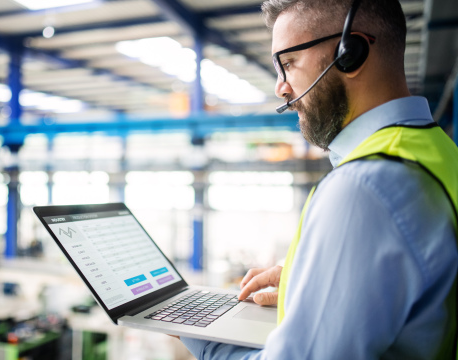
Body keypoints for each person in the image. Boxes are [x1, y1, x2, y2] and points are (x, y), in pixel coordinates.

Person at [177, 0, 458, 358]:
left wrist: (201, 334)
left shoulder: (363, 188)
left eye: (288, 63)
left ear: (350, 53)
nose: (281, 87)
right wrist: (311, 283)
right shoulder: (438, 152)